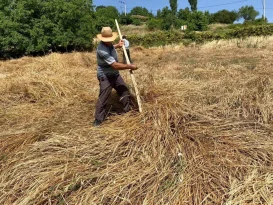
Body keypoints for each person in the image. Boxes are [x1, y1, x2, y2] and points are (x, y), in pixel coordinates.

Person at [93, 27, 138, 127]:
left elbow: (111, 47)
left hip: (115, 74)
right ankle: (98, 120)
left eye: (110, 40)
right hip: (105, 76)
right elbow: (115, 65)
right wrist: (130, 66)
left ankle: (127, 111)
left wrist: (118, 45)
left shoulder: (108, 45)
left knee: (124, 91)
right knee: (103, 98)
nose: (109, 42)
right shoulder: (101, 50)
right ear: (102, 40)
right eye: (107, 41)